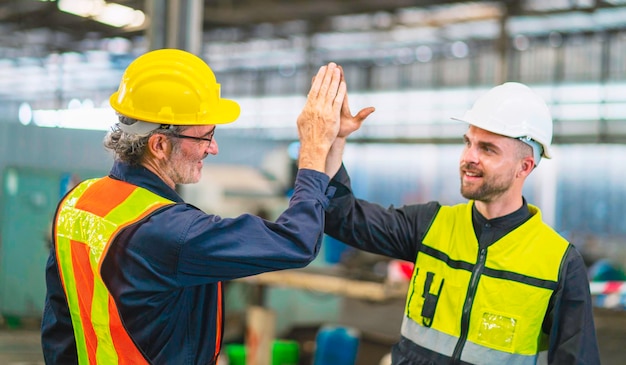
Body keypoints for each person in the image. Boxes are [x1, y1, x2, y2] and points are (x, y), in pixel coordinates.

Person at [41, 48, 346, 364]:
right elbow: (297, 241)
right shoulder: (171, 231)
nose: (213, 148)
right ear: (159, 145)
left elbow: (59, 327)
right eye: (205, 136)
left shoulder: (77, 203)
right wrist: (312, 153)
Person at [325, 81, 600, 364]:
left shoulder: (560, 263)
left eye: (488, 149)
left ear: (525, 166)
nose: (469, 157)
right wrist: (332, 142)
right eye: (468, 142)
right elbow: (341, 216)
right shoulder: (430, 225)